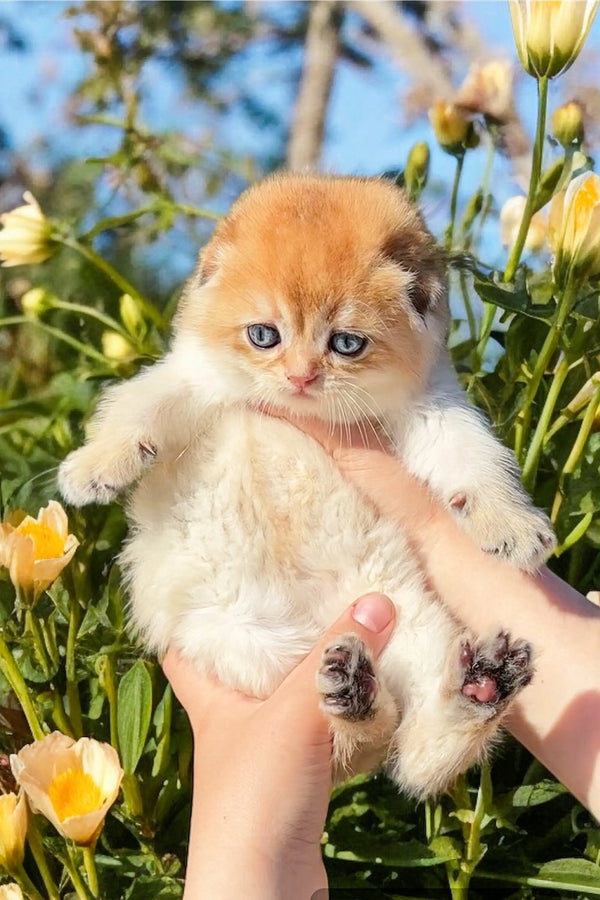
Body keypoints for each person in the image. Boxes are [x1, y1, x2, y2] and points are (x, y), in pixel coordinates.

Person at [164, 416, 600, 900]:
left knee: (403, 628)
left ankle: (404, 722)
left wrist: (243, 853)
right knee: (246, 631)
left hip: (347, 545)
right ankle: (397, 717)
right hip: (243, 551)